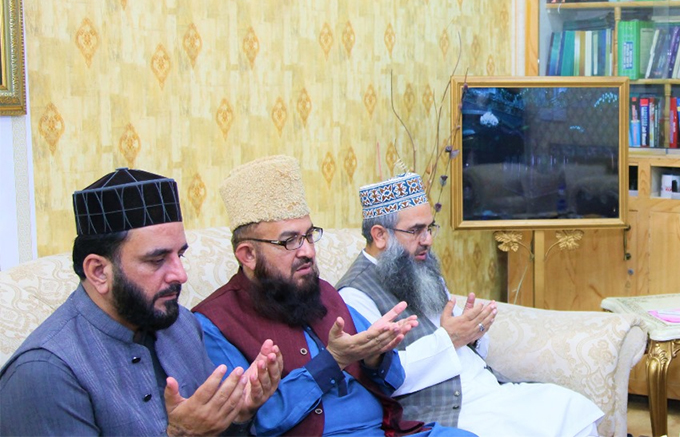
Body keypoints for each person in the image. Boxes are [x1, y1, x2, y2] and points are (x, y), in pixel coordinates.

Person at [193, 155, 475, 436]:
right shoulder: (215, 323)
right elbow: (251, 425)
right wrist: (332, 361)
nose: (308, 251)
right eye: (290, 241)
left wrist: (376, 356)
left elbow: (394, 379)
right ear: (248, 255)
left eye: (309, 235)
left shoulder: (324, 292)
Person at [0, 167, 282, 436]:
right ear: (99, 271)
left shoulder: (180, 323)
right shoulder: (45, 373)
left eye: (179, 255)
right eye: (157, 260)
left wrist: (238, 415)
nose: (180, 275)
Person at [337, 172, 605, 437]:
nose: (427, 239)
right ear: (380, 235)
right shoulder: (355, 294)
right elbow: (383, 378)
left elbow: (460, 340)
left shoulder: (419, 268)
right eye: (416, 230)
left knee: (570, 408)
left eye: (429, 228)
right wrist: (451, 338)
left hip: (487, 388)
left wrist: (472, 334)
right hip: (444, 410)